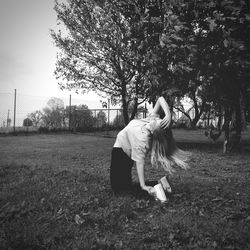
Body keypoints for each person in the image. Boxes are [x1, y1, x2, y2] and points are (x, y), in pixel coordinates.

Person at [110, 96, 189, 195]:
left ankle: (157, 187)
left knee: (120, 190)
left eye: (158, 122)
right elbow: (160, 99)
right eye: (160, 120)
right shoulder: (152, 120)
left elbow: (140, 163)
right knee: (124, 187)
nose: (157, 119)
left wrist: (143, 186)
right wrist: (168, 115)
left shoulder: (143, 138)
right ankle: (159, 184)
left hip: (121, 152)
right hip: (123, 148)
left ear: (154, 131)